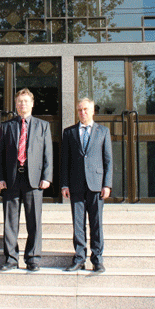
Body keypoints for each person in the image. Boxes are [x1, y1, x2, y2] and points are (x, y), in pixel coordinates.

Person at [0, 88, 53, 271]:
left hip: (34, 180)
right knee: (10, 222)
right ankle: (11, 259)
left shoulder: (43, 126)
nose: (22, 104)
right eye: (19, 101)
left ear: (32, 104)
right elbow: (0, 155)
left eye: (26, 101)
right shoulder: (6, 126)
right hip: (11, 179)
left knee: (34, 221)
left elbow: (48, 153)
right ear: (16, 104)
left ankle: (33, 259)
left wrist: (47, 177)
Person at [60, 98, 112, 273]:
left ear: (93, 111)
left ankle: (97, 259)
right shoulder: (69, 132)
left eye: (86, 109)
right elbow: (64, 161)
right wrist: (64, 184)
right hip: (75, 185)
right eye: (80, 110)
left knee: (96, 224)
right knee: (78, 224)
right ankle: (79, 258)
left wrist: (107, 184)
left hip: (96, 186)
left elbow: (108, 161)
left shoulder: (103, 131)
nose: (82, 112)